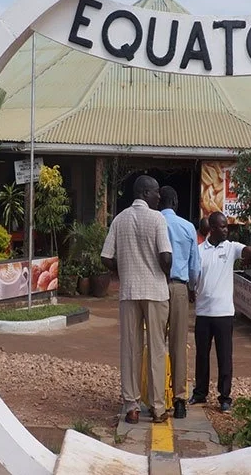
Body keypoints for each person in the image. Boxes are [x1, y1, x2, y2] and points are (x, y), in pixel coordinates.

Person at [191, 211, 251, 414]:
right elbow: (194, 276)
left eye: (226, 226)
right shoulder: (199, 250)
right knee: (202, 356)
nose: (226, 230)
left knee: (225, 357)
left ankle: (225, 397)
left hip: (224, 314)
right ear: (212, 229)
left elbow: (248, 251)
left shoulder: (231, 248)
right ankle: (199, 393)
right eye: (222, 227)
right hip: (203, 313)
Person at [102, 175, 173, 424]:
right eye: (155, 193)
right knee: (155, 349)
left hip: (129, 290)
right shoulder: (157, 218)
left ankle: (131, 406)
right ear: (145, 193)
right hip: (155, 291)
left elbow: (106, 256)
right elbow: (165, 257)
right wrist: (166, 271)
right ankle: (157, 407)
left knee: (130, 348)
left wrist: (122, 268)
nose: (158, 197)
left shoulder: (119, 219)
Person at [158, 186, 199, 419]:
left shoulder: (155, 223)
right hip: (180, 287)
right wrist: (192, 289)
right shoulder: (187, 227)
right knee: (178, 345)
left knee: (155, 345)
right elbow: (195, 267)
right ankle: (180, 399)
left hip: (157, 286)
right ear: (175, 202)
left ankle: (157, 400)